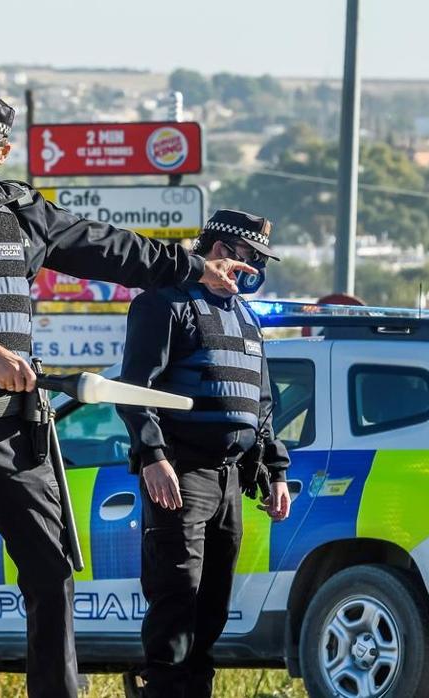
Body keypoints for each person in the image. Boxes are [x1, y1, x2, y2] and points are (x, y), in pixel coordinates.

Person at [0, 90, 254, 698]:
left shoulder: (24, 213)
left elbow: (112, 249)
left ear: (0, 152)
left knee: (51, 575)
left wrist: (192, 267)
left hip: (12, 429)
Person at [116, 209, 293, 698]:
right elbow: (134, 390)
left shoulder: (246, 318)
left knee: (211, 610)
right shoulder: (165, 304)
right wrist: (153, 456)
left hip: (229, 480)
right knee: (177, 604)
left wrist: (275, 471)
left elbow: (261, 405)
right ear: (222, 252)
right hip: (181, 474)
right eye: (253, 257)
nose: (258, 268)